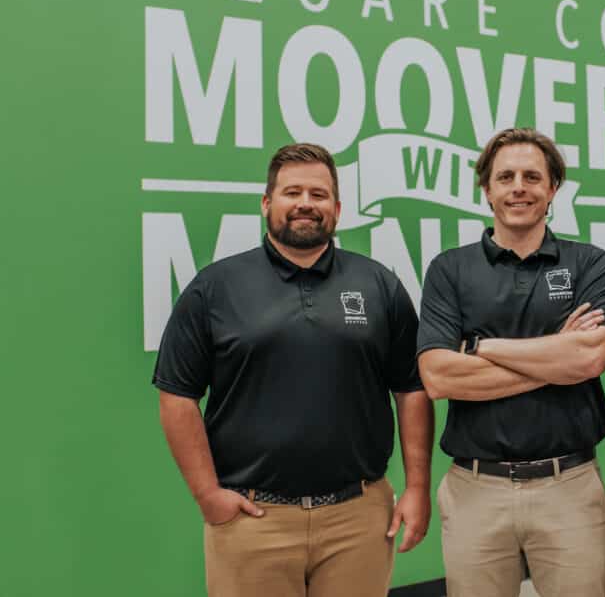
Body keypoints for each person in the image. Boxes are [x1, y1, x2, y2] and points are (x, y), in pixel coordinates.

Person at [153, 143, 433, 597]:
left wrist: (418, 486)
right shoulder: (215, 287)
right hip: (253, 519)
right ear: (267, 204)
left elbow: (411, 388)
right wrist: (208, 495)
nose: (306, 203)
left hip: (358, 517)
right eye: (292, 192)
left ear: (337, 209)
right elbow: (177, 395)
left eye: (319, 194)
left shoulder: (378, 283)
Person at [417, 127, 605, 597]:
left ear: (552, 189)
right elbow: (438, 375)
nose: (519, 187)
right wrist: (554, 357)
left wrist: (482, 347)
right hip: (475, 489)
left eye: (532, 176)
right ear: (486, 189)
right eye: (505, 177)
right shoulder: (450, 269)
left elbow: (590, 357)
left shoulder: (589, 263)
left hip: (569, 485)